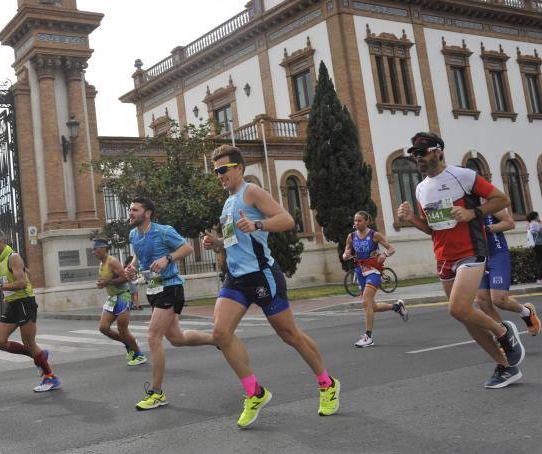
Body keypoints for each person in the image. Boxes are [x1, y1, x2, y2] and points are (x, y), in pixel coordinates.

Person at [202, 145, 340, 429]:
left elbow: (287, 220)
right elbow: (234, 241)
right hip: (236, 277)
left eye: (223, 169)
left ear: (239, 168)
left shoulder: (250, 191)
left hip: (261, 275)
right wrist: (216, 243)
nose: (219, 175)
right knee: (220, 333)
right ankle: (255, 392)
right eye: (216, 171)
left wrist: (258, 224)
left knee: (290, 335)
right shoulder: (228, 202)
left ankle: (327, 384)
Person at [397, 132, 524, 388]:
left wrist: (471, 212)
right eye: (413, 154)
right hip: (444, 257)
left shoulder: (462, 175)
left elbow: (502, 199)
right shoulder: (421, 188)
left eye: (421, 152)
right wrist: (411, 218)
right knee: (465, 316)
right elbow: (433, 229)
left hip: (471, 250)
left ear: (437, 151)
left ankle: (504, 331)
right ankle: (505, 366)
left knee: (457, 308)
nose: (417, 158)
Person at [123, 197, 216, 411]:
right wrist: (131, 267)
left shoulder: (163, 231)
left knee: (153, 337)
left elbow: (187, 248)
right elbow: (138, 255)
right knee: (177, 338)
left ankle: (156, 393)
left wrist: (167, 258)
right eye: (130, 209)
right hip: (153, 289)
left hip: (170, 287)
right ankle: (215, 339)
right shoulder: (133, 234)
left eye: (135, 210)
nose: (130, 213)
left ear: (147, 213)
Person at [0, 230, 60, 392]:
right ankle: (39, 356)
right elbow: (20, 277)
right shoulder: (2, 260)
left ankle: (50, 377)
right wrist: (8, 294)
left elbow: (22, 283)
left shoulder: (13, 257)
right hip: (14, 303)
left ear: (0, 242)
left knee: (29, 343)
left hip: (25, 303)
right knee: (0, 342)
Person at [342, 211, 408, 347]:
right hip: (360, 271)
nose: (356, 223)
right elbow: (345, 254)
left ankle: (368, 337)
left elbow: (391, 249)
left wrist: (384, 254)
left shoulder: (374, 235)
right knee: (373, 306)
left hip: (373, 271)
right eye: (355, 220)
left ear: (367, 221)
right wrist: (346, 255)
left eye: (359, 220)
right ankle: (397, 307)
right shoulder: (351, 236)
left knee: (366, 301)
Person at [476, 209, 540, 336]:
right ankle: (504, 337)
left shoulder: (487, 200)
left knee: (499, 299)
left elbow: (510, 223)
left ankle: (526, 312)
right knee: (483, 301)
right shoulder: (458, 202)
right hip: (476, 256)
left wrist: (486, 229)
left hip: (497, 254)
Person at [93, 238, 147, 366]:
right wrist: (102, 284)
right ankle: (128, 344)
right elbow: (107, 280)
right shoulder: (101, 264)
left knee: (122, 329)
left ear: (103, 248)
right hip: (112, 298)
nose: (93, 252)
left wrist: (107, 282)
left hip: (123, 296)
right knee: (103, 328)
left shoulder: (112, 261)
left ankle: (140, 355)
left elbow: (125, 278)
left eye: (95, 249)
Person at [527, 211, 542, 284]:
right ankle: (540, 278)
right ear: (535, 217)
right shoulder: (535, 224)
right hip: (539, 244)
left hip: (535, 245)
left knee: (538, 261)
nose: (539, 217)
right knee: (540, 262)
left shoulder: (530, 224)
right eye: (538, 216)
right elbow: (541, 232)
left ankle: (539, 278)